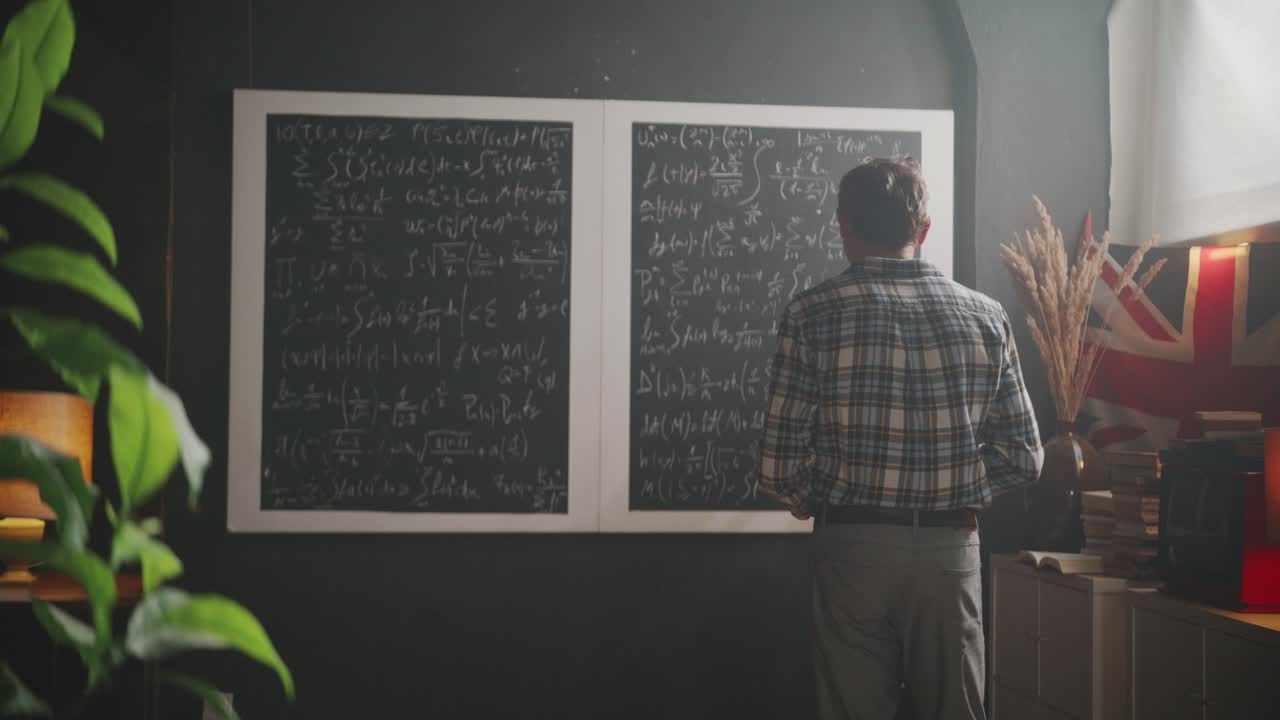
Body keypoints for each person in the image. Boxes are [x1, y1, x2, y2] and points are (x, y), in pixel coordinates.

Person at [756, 158, 1043, 720]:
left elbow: (777, 467)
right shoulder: (986, 316)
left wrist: (827, 496)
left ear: (844, 225)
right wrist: (957, 483)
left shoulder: (810, 314)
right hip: (949, 547)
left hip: (851, 545)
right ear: (924, 228)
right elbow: (1025, 456)